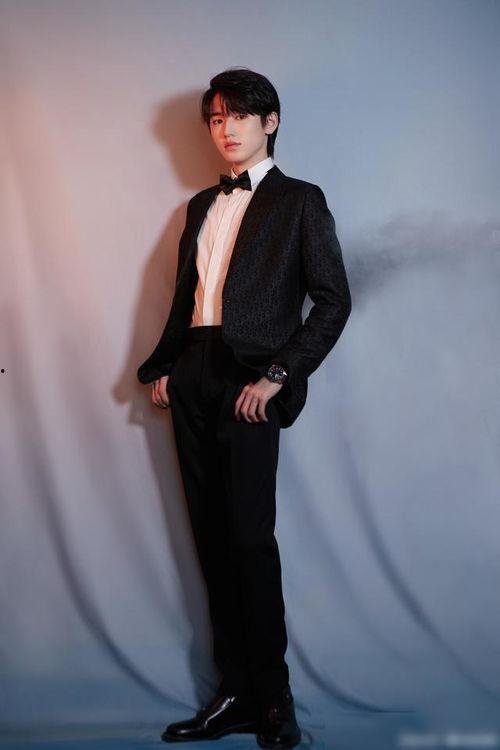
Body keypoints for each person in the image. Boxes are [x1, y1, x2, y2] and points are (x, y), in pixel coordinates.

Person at [137, 67, 351, 749]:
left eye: (239, 115)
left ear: (270, 122)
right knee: (209, 535)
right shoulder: (200, 206)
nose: (225, 128)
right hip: (194, 371)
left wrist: (278, 375)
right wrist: (166, 365)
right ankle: (232, 694)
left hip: (251, 376)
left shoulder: (300, 200)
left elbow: (333, 300)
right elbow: (188, 297)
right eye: (216, 118)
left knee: (250, 539)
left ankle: (273, 699)